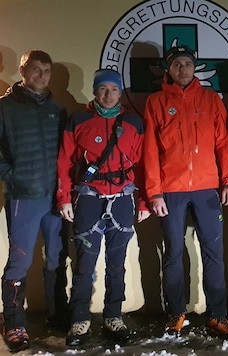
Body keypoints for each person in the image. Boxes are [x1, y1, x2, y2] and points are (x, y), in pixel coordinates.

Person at [141, 45, 228, 338]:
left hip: (208, 187)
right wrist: (154, 192)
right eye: (177, 65)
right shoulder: (156, 102)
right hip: (171, 189)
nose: (183, 69)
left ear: (195, 67)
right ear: (168, 69)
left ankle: (217, 315)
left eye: (187, 64)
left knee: (214, 252)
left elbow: (223, 143)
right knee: (173, 252)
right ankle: (175, 313)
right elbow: (150, 151)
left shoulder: (210, 100)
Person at [57, 69, 146, 346]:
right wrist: (63, 198)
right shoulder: (79, 120)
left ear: (121, 93)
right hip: (89, 199)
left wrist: (144, 201)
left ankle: (113, 316)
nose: (108, 95)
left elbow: (143, 164)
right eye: (103, 89)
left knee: (117, 263)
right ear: (95, 92)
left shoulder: (133, 123)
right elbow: (64, 162)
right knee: (84, 263)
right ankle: (80, 318)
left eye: (114, 90)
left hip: (122, 199)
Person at [0, 50, 69, 352]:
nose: (41, 76)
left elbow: (66, 155)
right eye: (36, 70)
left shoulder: (56, 109)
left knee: (56, 256)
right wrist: (12, 175)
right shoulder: (5, 108)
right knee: (21, 260)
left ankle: (57, 314)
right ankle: (14, 322)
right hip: (24, 197)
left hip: (54, 197)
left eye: (46, 71)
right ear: (22, 70)